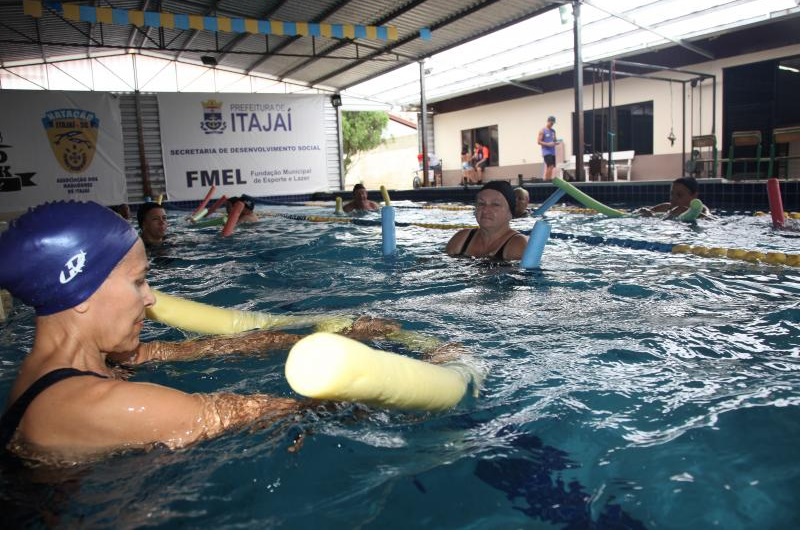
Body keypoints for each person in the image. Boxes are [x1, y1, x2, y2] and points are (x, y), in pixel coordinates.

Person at [0, 201, 455, 465]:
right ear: (83, 290)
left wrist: (337, 336)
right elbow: (272, 412)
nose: (151, 299)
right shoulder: (97, 403)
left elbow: (212, 346)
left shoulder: (73, 369)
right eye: (139, 282)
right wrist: (405, 384)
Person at [446, 180, 528, 261]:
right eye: (481, 203)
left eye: (495, 204)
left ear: (510, 213)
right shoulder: (461, 239)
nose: (485, 210)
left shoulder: (518, 244)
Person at [635, 176, 712, 219]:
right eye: (672, 194)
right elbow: (641, 213)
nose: (673, 199)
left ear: (694, 196)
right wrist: (644, 212)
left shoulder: (701, 209)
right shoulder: (667, 207)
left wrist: (685, 210)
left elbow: (710, 219)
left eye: (679, 195)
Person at [537, 116, 560, 180]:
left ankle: (547, 179)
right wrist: (548, 144)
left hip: (553, 152)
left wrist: (556, 142)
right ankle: (547, 181)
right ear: (548, 121)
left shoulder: (553, 131)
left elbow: (554, 140)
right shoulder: (542, 130)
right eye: (551, 123)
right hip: (546, 151)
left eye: (553, 123)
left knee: (551, 167)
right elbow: (538, 142)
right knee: (550, 166)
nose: (552, 125)